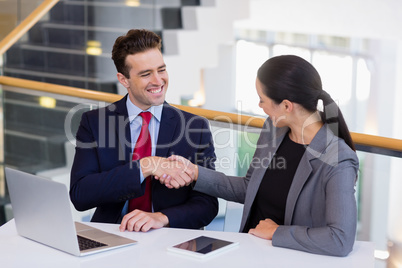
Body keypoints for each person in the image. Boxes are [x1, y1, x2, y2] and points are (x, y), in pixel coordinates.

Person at [154, 55, 359, 256]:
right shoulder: (274, 130)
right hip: (246, 250)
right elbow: (249, 188)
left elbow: (340, 239)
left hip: (285, 258)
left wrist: (276, 232)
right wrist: (195, 172)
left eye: (262, 100)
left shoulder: (338, 159)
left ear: (287, 106)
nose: (260, 106)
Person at [69, 29, 218, 232]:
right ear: (124, 80)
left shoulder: (195, 127)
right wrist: (146, 166)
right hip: (113, 232)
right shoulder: (94, 122)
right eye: (146, 74)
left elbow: (208, 205)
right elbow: (80, 195)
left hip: (169, 236)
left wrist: (161, 218)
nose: (158, 81)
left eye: (161, 70)